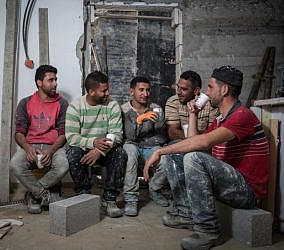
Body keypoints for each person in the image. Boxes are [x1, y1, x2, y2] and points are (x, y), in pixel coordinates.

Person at [143, 65, 269, 249]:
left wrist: (159, 151)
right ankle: (186, 214)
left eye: (210, 87)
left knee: (193, 158)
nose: (205, 92)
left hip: (246, 192)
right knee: (176, 156)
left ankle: (208, 231)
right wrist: (192, 114)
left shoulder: (243, 116)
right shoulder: (221, 119)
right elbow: (193, 142)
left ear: (224, 90)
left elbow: (202, 143)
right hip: (229, 185)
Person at [148, 70, 218, 207]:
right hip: (180, 141)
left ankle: (193, 196)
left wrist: (197, 138)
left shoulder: (209, 104)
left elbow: (213, 133)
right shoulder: (173, 101)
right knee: (172, 154)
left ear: (196, 90)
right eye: (178, 87)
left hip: (205, 145)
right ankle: (155, 187)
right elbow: (173, 133)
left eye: (184, 89)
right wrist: (196, 137)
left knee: (196, 156)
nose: (179, 92)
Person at [65, 71, 126, 218]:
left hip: (105, 149)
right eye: (103, 90)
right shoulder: (75, 107)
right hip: (84, 149)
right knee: (73, 153)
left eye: (107, 89)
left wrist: (99, 151)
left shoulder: (112, 105)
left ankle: (110, 198)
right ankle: (84, 197)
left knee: (120, 153)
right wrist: (93, 143)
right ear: (91, 92)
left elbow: (117, 135)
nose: (108, 93)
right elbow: (71, 137)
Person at [10, 65, 69, 214]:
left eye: (56, 79)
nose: (55, 83)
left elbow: (63, 133)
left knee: (62, 166)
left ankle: (34, 195)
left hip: (54, 146)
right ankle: (44, 195)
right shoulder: (25, 103)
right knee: (16, 164)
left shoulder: (62, 103)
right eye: (50, 80)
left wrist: (51, 151)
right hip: (31, 145)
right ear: (39, 82)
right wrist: (28, 148)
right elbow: (19, 133)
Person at [121, 76, 169, 216]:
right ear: (132, 91)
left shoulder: (156, 109)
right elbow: (129, 136)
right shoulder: (124, 110)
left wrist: (147, 141)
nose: (145, 94)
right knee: (130, 153)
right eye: (141, 90)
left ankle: (154, 189)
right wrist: (141, 120)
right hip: (131, 145)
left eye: (147, 90)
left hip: (150, 148)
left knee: (165, 158)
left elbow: (161, 136)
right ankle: (131, 198)